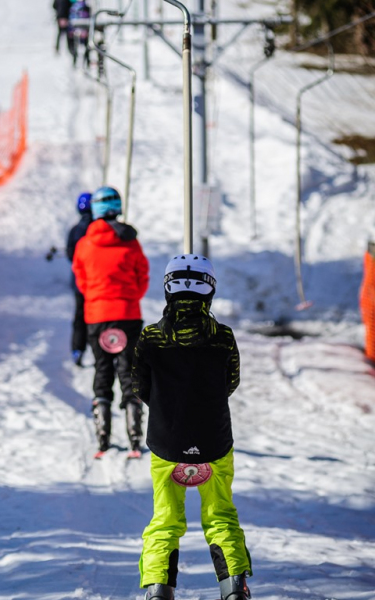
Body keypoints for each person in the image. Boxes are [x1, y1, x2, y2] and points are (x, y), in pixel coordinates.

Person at [132, 254, 253, 600]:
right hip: (214, 441)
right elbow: (231, 382)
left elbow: (140, 387)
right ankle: (234, 588)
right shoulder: (223, 337)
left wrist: (168, 407)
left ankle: (159, 589)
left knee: (165, 519)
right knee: (220, 516)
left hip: (167, 442)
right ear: (209, 291)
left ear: (168, 289)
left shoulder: (150, 337)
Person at [72, 186, 149, 455]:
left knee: (103, 368)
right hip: (128, 315)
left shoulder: (84, 244)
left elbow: (81, 281)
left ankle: (102, 434)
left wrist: (97, 299)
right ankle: (134, 433)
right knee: (129, 370)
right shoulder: (131, 241)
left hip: (97, 317)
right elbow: (142, 276)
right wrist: (129, 298)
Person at [66, 192, 93, 366]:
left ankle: (78, 349)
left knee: (79, 315)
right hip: (98, 282)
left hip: (79, 282)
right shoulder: (99, 228)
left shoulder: (75, 230)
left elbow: (70, 254)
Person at [67, 0, 91, 68]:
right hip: (76, 30)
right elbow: (71, 18)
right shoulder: (73, 7)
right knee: (76, 47)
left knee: (84, 47)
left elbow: (87, 18)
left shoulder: (85, 7)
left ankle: (85, 63)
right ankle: (77, 63)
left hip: (82, 30)